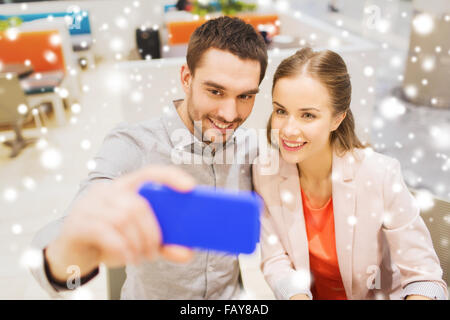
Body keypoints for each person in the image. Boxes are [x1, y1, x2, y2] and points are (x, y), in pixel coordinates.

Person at [30, 16, 268, 299]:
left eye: (245, 96)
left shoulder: (248, 149)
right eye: (215, 91)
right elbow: (60, 240)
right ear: (186, 78)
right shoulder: (134, 145)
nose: (230, 115)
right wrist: (68, 252)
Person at [252, 47, 448, 300]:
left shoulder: (380, 175)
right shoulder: (265, 172)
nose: (288, 130)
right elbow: (275, 259)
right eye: (281, 111)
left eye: (308, 115)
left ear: (337, 119)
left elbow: (426, 279)